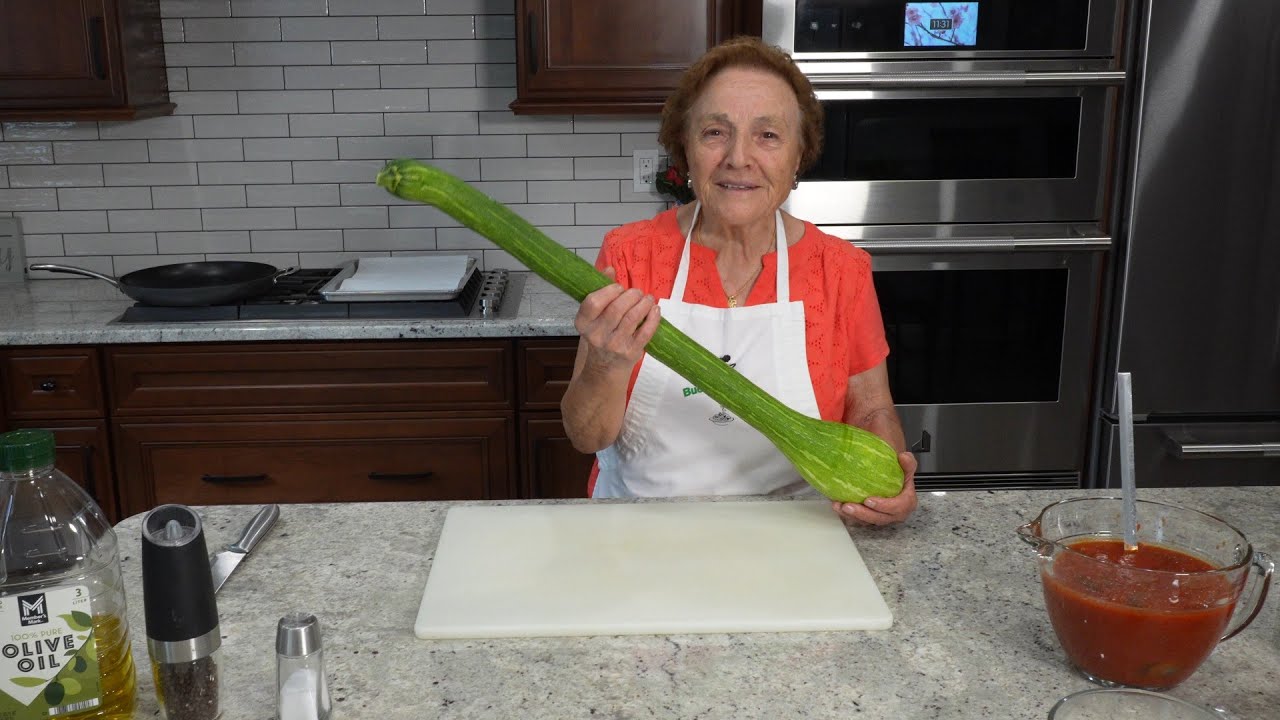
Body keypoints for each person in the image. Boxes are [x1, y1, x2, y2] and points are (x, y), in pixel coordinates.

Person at [560, 37, 917, 526]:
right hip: (640, 534)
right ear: (685, 147)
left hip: (796, 535)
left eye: (768, 135)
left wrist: (886, 477)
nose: (739, 158)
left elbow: (872, 406)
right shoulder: (629, 255)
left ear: (798, 157)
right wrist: (606, 363)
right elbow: (586, 436)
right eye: (714, 132)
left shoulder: (841, 269)